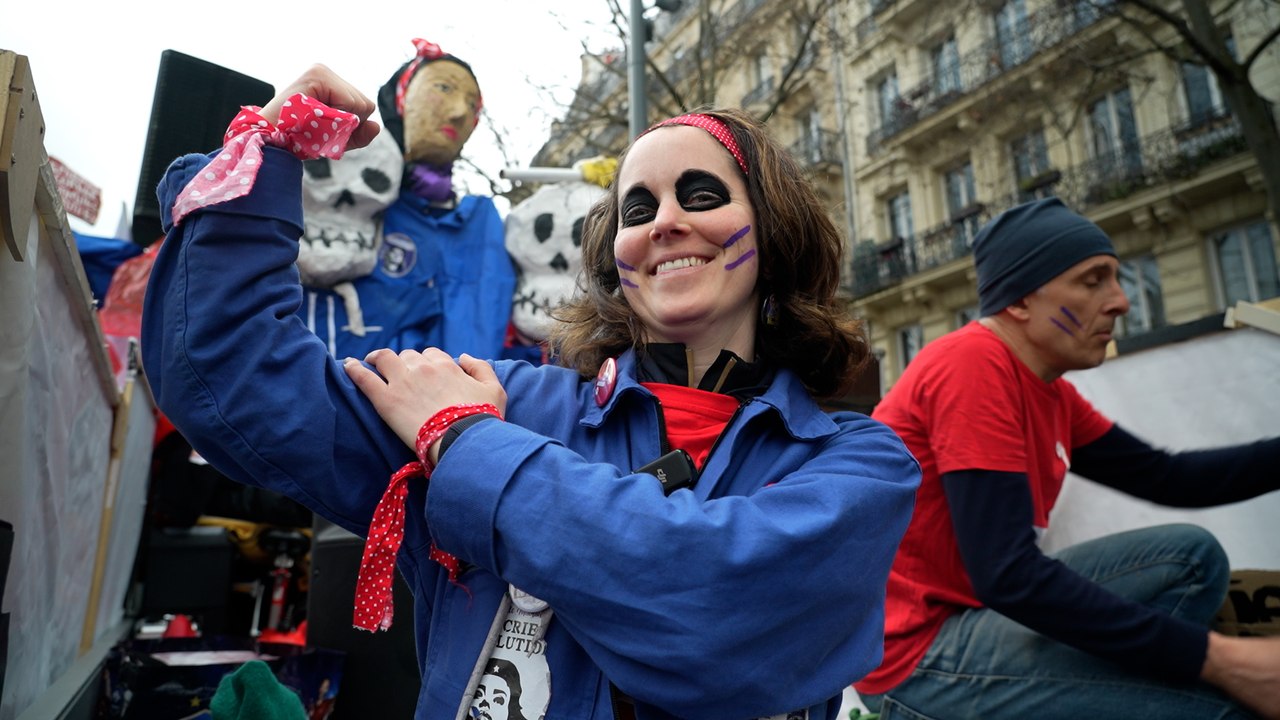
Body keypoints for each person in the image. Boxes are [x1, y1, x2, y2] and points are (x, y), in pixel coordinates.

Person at [141, 63, 921, 720]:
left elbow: (706, 609)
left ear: (773, 229)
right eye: (637, 208)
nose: (664, 223)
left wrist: (465, 445)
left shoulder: (861, 466)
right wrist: (264, 157)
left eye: (702, 195)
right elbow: (233, 381)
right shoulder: (505, 397)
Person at [854, 197, 1280, 720]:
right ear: (1021, 300)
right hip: (914, 657)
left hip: (976, 616)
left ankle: (1118, 693)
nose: (1121, 301)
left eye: (1116, 279)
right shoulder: (971, 364)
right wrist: (1222, 661)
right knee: (1219, 709)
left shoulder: (1050, 391)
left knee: (1191, 558)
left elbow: (1170, 477)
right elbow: (1007, 576)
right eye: (1092, 280)